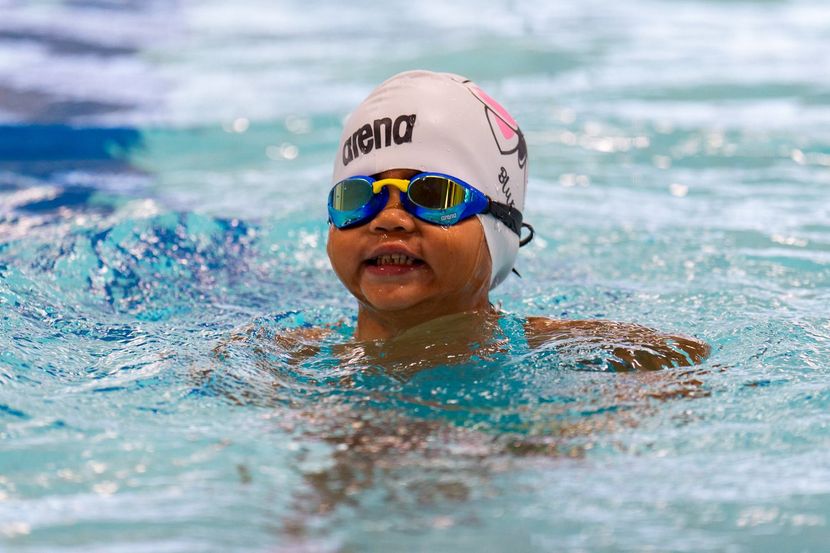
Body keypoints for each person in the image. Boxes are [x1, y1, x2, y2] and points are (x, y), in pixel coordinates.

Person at [322, 69, 708, 371]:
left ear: (499, 226)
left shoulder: (584, 352)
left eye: (433, 194)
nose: (389, 219)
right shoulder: (282, 359)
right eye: (357, 196)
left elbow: (689, 361)